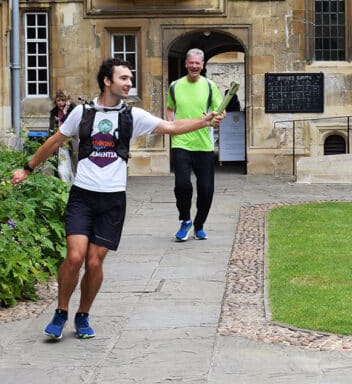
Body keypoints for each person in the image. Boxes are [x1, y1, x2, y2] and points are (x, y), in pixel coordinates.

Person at [11, 57, 225, 341]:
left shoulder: (133, 117)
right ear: (107, 81)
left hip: (113, 199)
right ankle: (61, 312)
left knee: (95, 263)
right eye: (124, 78)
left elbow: (171, 127)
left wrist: (205, 120)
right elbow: (55, 141)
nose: (129, 83)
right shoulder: (82, 113)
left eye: (130, 78)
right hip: (83, 196)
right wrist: (27, 168)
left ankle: (83, 314)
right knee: (74, 256)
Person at [166, 48, 222, 242]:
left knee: (207, 189)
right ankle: (185, 220)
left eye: (198, 63)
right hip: (181, 142)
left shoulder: (210, 86)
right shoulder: (174, 86)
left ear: (203, 65)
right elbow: (170, 108)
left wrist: (218, 118)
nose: (194, 66)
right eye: (191, 62)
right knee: (182, 185)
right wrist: (172, 126)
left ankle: (199, 224)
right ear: (186, 64)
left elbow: (219, 111)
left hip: (203, 144)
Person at [48, 89, 77, 182]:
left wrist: (65, 112)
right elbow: (51, 129)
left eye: (63, 100)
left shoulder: (73, 110)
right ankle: (64, 190)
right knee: (61, 170)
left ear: (67, 101)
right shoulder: (54, 112)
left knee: (73, 168)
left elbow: (70, 126)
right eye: (58, 100)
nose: (60, 103)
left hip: (72, 143)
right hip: (59, 144)